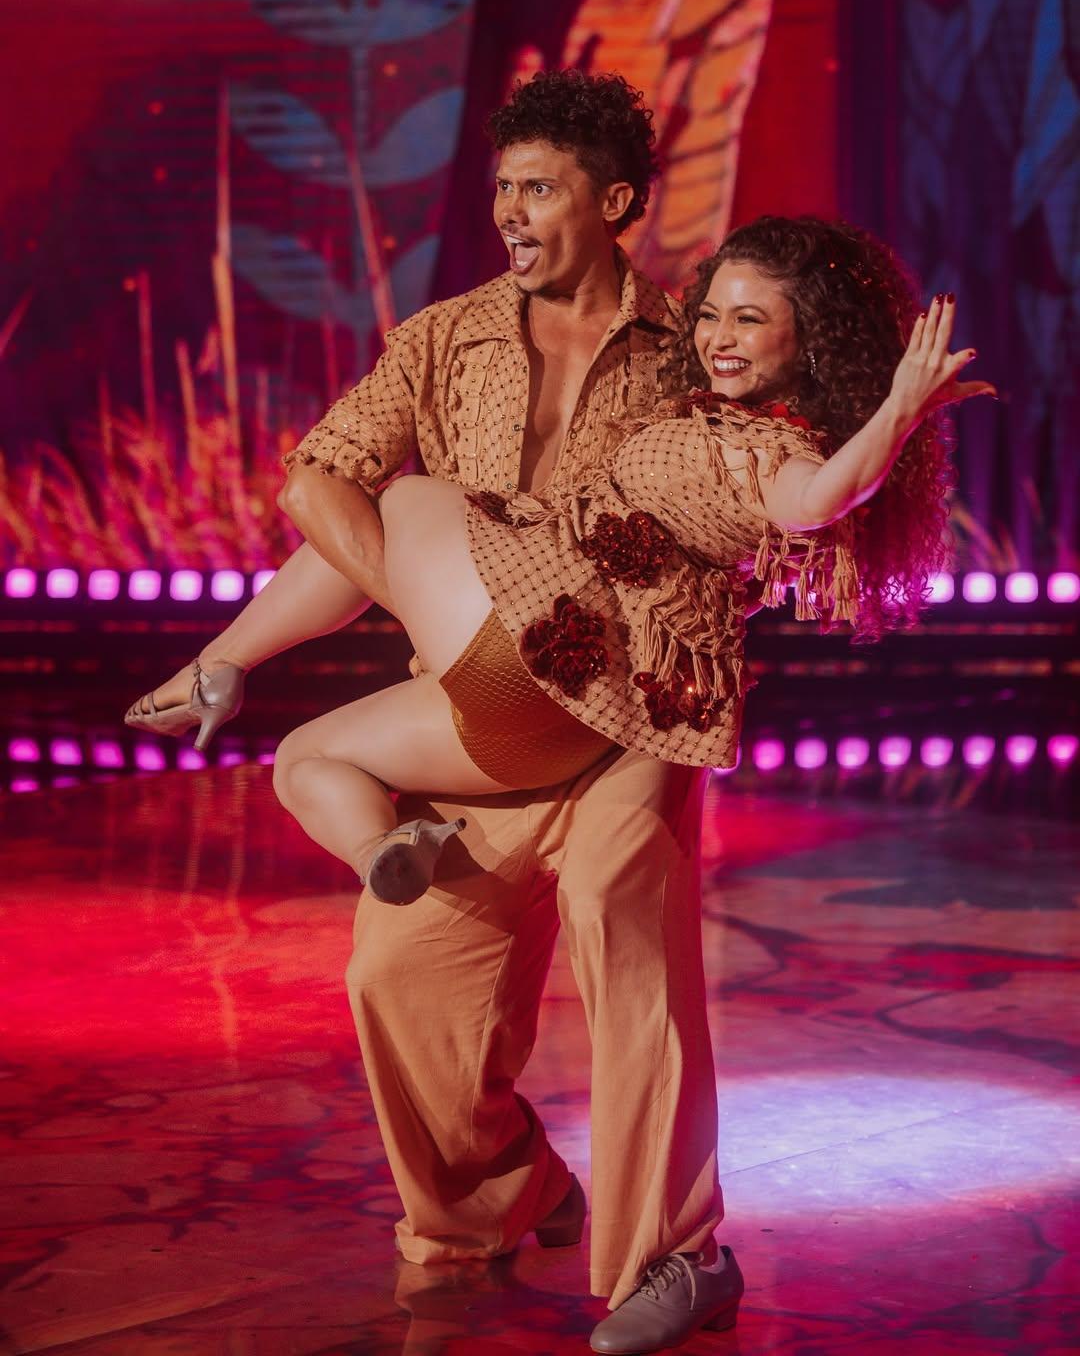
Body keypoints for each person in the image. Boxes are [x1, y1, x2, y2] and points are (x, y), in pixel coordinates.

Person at [124, 71, 989, 1353]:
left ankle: (672, 1254)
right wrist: (231, 656)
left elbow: (781, 498)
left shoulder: (691, 348)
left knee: (619, 921)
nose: (511, 213)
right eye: (501, 190)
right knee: (399, 973)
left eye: (538, 189)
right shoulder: (438, 344)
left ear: (616, 201)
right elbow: (330, 503)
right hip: (477, 699)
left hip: (638, 711)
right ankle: (497, 1199)